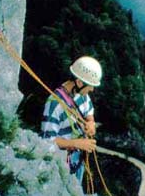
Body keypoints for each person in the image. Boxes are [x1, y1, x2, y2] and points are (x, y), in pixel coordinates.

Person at [41, 56, 102, 184]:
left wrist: (91, 122)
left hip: (78, 157)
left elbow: (89, 110)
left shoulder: (82, 95)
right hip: (62, 161)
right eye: (90, 86)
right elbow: (47, 140)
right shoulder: (55, 105)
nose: (92, 89)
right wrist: (76, 143)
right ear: (79, 83)